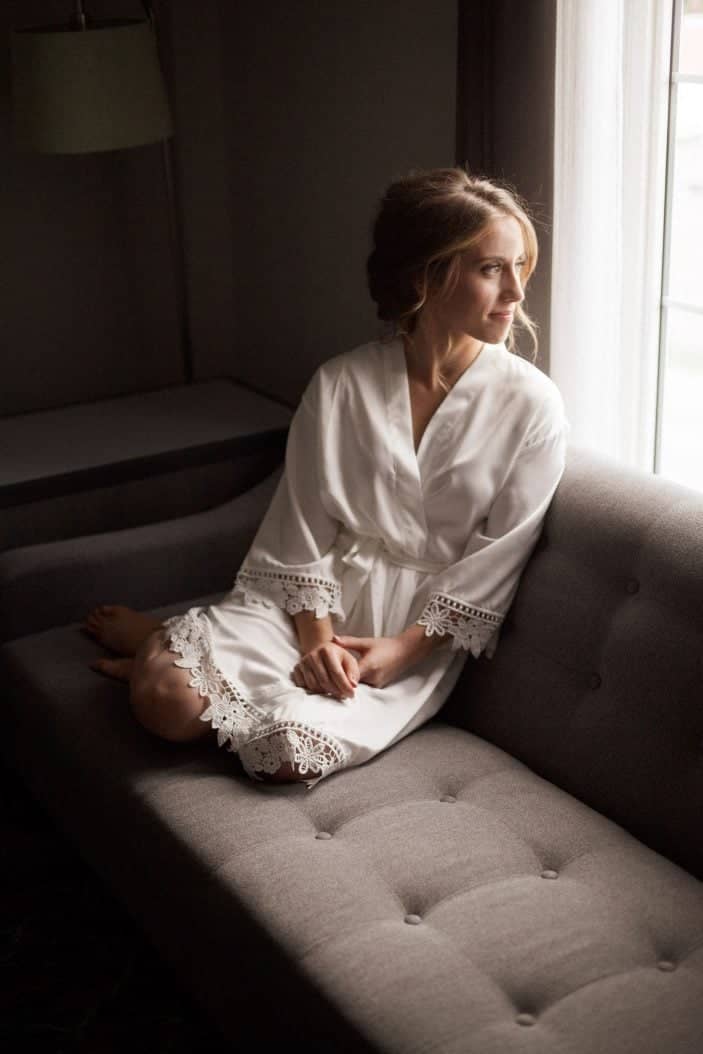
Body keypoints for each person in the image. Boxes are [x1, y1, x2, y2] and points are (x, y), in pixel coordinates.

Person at [84, 166, 570, 789]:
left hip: (406, 632)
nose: (516, 293)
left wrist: (404, 649)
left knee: (289, 752)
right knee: (166, 701)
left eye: (519, 266)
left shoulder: (533, 406)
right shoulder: (340, 384)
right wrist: (315, 641)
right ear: (425, 275)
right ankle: (172, 656)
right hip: (307, 605)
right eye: (490, 269)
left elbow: (494, 561)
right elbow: (302, 526)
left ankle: (174, 643)